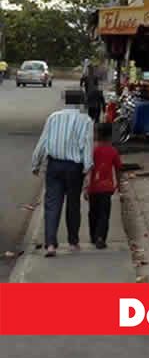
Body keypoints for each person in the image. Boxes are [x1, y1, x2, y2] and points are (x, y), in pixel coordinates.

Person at [30, 104, 94, 257]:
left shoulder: (53, 117)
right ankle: (73, 242)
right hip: (75, 168)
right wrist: (88, 169)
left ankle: (51, 245)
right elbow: (87, 145)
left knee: (52, 204)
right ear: (81, 103)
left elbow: (43, 141)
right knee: (73, 204)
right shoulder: (86, 120)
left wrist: (36, 163)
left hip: (54, 165)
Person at [84, 123, 124, 249]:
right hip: (107, 188)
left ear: (96, 135)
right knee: (104, 214)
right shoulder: (113, 151)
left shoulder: (92, 151)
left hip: (93, 188)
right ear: (110, 137)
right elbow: (118, 169)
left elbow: (87, 169)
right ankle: (100, 237)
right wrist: (119, 186)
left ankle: (93, 236)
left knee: (93, 212)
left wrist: (85, 187)